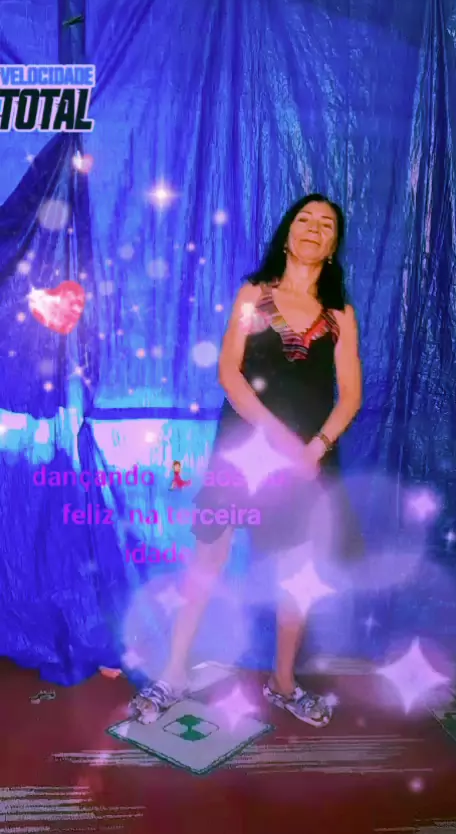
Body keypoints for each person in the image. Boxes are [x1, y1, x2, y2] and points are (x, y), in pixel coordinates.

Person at [129, 193, 363, 727]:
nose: (314, 227)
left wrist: (315, 448)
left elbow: (350, 394)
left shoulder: (341, 315)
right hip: (243, 448)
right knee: (208, 558)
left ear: (333, 246)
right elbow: (229, 373)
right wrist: (279, 439)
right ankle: (173, 673)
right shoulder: (254, 294)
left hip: (308, 460)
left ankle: (283, 683)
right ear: (287, 234)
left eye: (326, 224)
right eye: (305, 219)